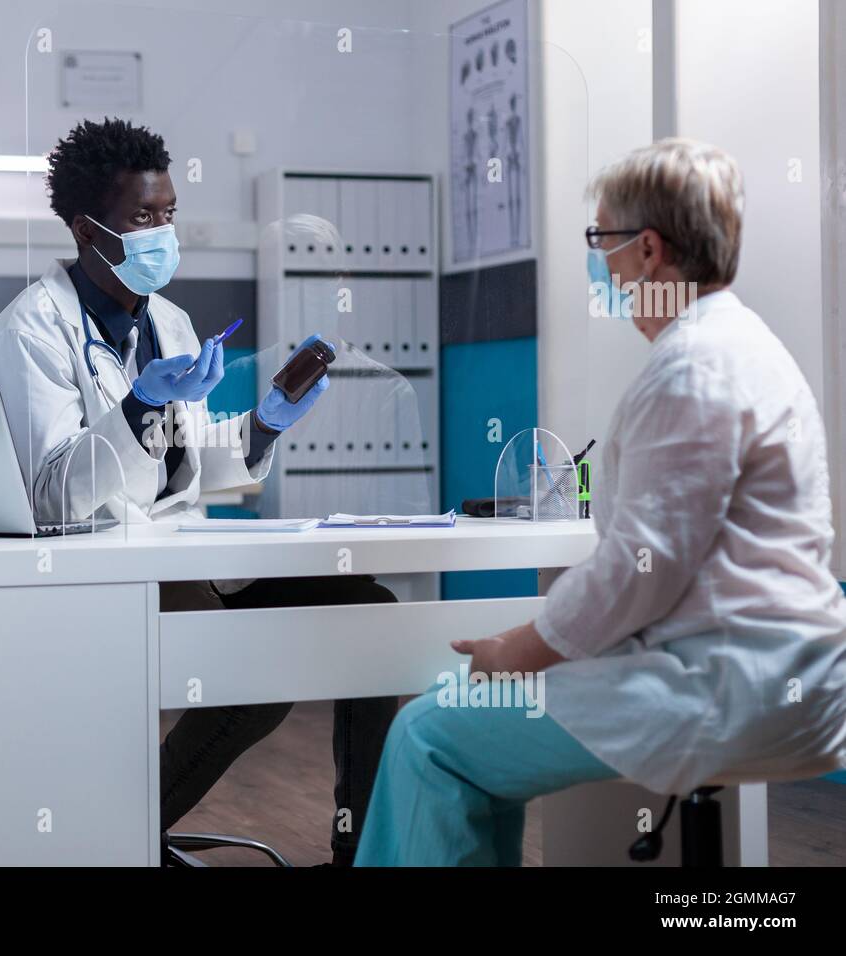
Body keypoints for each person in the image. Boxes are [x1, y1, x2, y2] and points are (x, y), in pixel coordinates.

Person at [356, 139, 846, 866]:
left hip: (722, 687)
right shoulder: (746, 345)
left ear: (647, 251)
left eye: (601, 239)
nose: (598, 261)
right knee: (473, 732)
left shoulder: (691, 367)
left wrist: (514, 654)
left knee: (428, 735)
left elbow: (638, 573)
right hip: (788, 674)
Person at [0, 118, 399, 865]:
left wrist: (262, 426)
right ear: (87, 230)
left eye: (168, 213)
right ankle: (111, 836)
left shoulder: (168, 320)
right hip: (94, 572)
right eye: (143, 218)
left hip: (180, 556)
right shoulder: (30, 331)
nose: (163, 232)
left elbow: (187, 459)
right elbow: (49, 497)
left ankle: (360, 850)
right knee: (254, 666)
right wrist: (135, 405)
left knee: (366, 613)